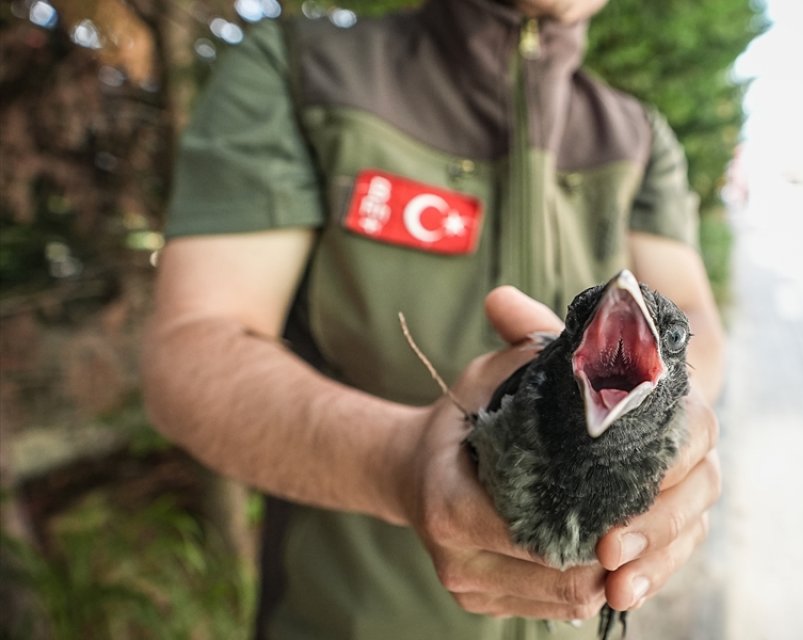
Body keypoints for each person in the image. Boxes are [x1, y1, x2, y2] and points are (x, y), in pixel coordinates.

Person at [138, 0, 725, 638]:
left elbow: (692, 318)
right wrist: (396, 463)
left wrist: (671, 433)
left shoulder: (640, 137)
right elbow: (189, 350)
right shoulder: (301, 71)